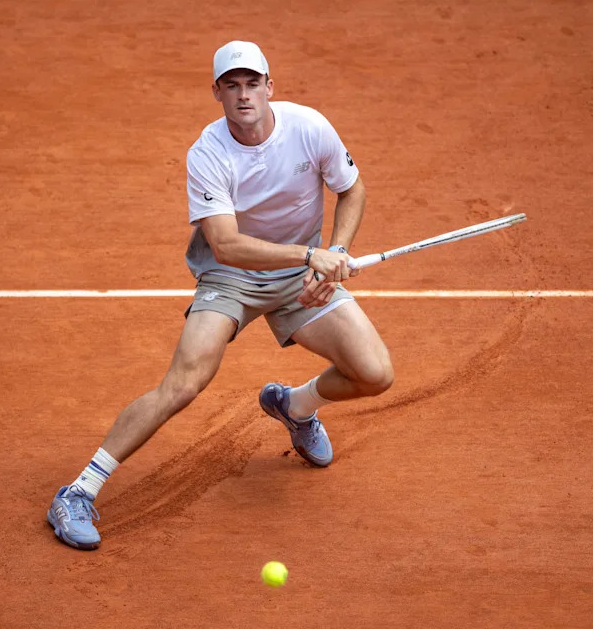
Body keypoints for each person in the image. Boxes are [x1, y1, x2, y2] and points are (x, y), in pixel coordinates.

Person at [47, 41, 394, 550]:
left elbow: (352, 188)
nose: (244, 94)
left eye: (253, 83)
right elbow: (226, 245)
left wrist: (336, 252)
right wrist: (309, 256)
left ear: (270, 87)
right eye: (231, 85)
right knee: (183, 384)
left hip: (301, 279)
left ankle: (294, 408)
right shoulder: (208, 153)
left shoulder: (310, 128)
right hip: (232, 277)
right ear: (217, 93)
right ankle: (78, 492)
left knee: (375, 374)